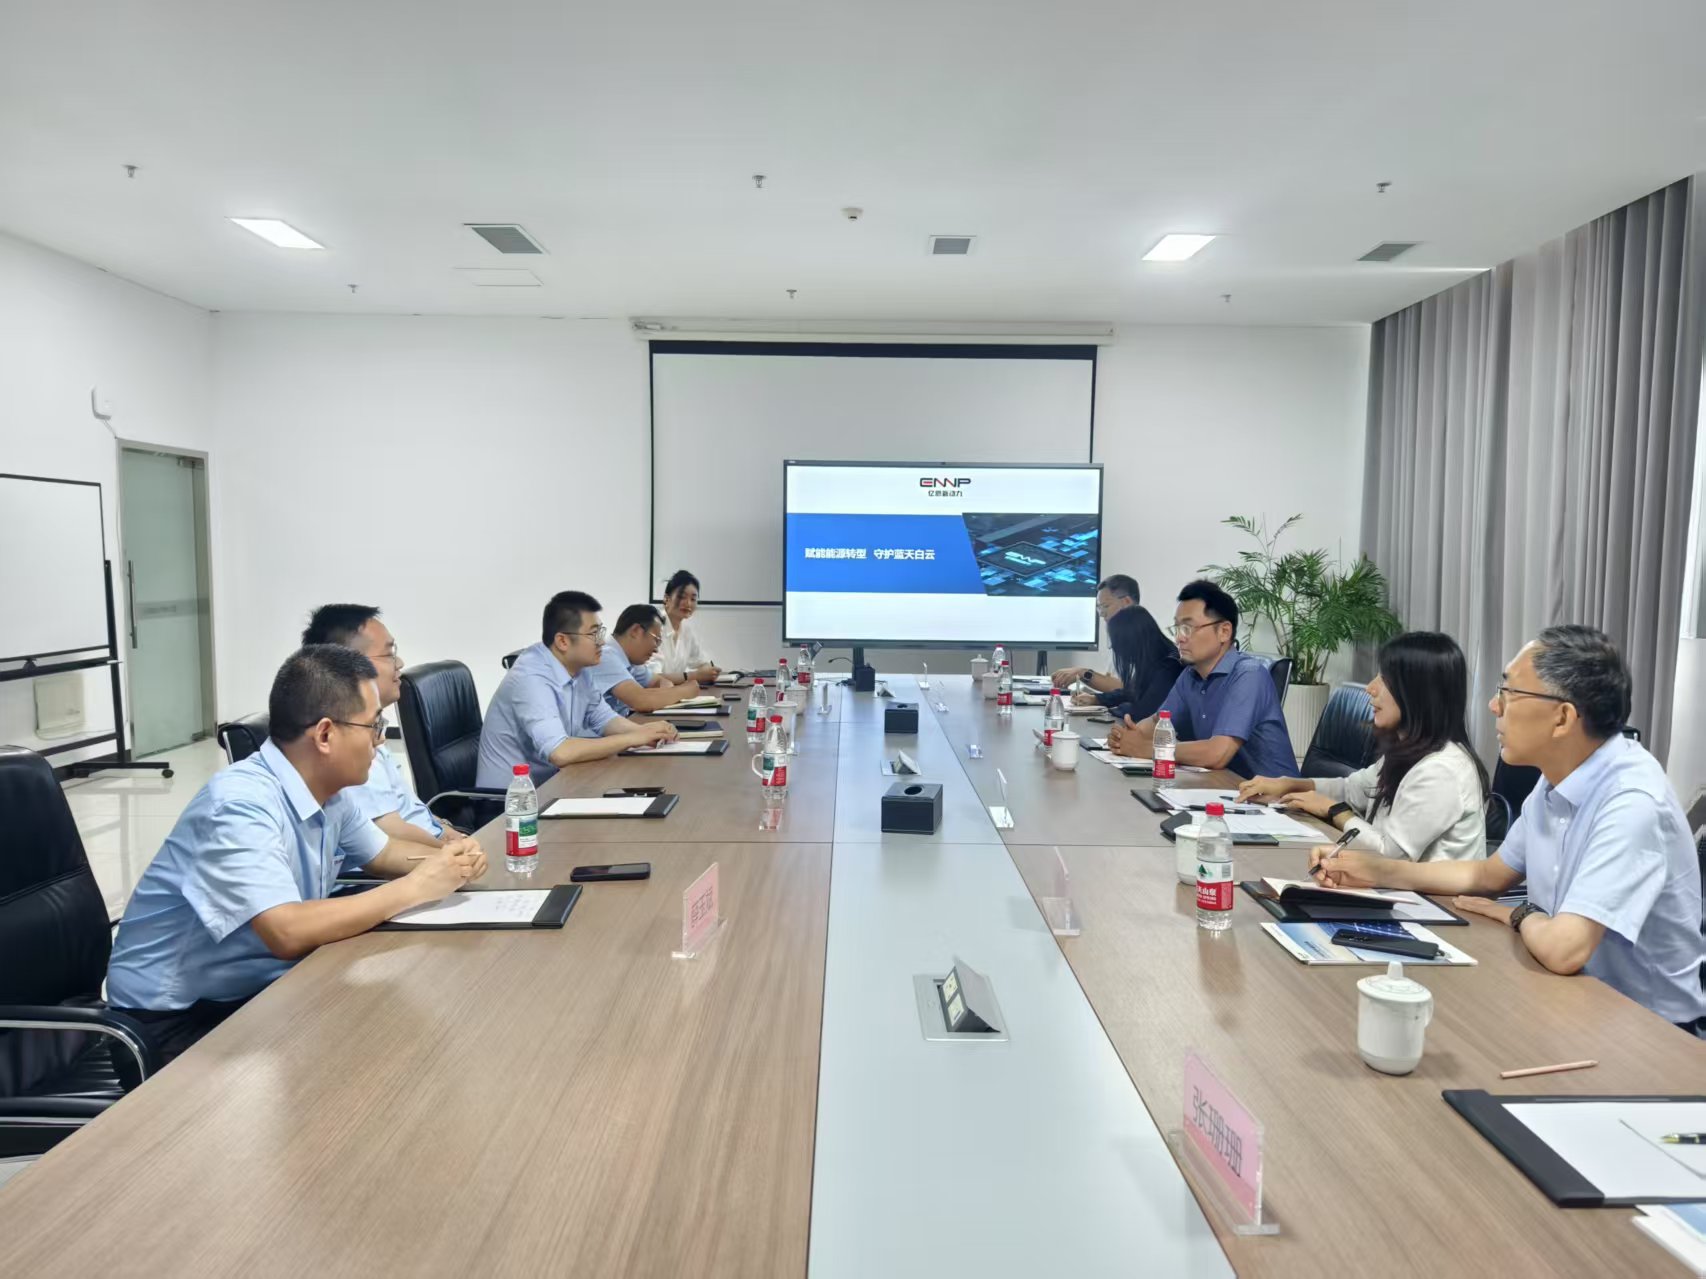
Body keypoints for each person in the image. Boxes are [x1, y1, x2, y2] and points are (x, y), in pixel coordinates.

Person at [1313, 626, 1706, 1036]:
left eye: (1509, 692)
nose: (1493, 705)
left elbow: (1564, 948)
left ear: (1562, 717)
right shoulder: (1556, 778)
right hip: (1571, 997)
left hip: (1650, 1031)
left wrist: (1520, 913)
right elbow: (1487, 875)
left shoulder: (1632, 801)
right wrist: (1375, 871)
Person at [106, 646, 487, 1064]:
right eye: (373, 726)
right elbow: (285, 931)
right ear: (325, 735)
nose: (380, 742)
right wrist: (415, 887)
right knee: (376, 1056)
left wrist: (448, 861)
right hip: (172, 1021)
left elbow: (384, 853)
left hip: (261, 989)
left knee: (402, 1024)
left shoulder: (329, 791)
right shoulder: (239, 805)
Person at [1238, 632, 1488, 861]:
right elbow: (1351, 789)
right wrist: (1289, 785)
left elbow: (1390, 854)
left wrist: (1334, 811)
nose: (1371, 688)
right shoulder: (1410, 748)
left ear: (1418, 693)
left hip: (1421, 895)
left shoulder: (1442, 769)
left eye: (1385, 679)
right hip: (1388, 885)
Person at [477, 591, 676, 787]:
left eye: (601, 632)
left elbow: (604, 719)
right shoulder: (530, 677)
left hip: (554, 783)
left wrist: (648, 732)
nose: (601, 641)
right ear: (562, 641)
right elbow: (560, 752)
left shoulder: (580, 669)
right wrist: (633, 738)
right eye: (593, 634)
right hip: (511, 800)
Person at [1108, 579, 1299, 778]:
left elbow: (1217, 754)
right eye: (1177, 628)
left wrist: (1148, 749)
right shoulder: (1190, 675)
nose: (1179, 638)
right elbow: (1157, 723)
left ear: (1224, 631)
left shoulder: (1249, 675)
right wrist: (1126, 736)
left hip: (1273, 794)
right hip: (1221, 785)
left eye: (1188, 628)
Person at [302, 603, 454, 846]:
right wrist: (452, 850)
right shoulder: (347, 743)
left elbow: (410, 809)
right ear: (349, 666)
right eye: (389, 654)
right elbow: (390, 835)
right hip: (416, 858)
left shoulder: (369, 727)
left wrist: (447, 831)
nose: (399, 662)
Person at [1049, 575, 1183, 722]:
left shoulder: (1168, 666)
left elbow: (1143, 711)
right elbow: (1130, 692)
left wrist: (1109, 709)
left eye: (1105, 606)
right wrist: (1097, 699)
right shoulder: (1150, 654)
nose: (1102, 614)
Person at [592, 604, 699, 715]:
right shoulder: (606, 655)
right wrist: (685, 691)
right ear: (636, 631)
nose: (656, 649)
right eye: (656, 640)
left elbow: (659, 681)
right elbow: (642, 701)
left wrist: (665, 693)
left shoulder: (630, 659)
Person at [653, 569, 720, 684]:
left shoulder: (687, 629)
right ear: (666, 599)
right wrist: (695, 676)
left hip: (675, 692)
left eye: (693, 599)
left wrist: (710, 672)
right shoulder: (654, 626)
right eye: (682, 597)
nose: (688, 603)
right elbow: (652, 678)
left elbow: (702, 662)